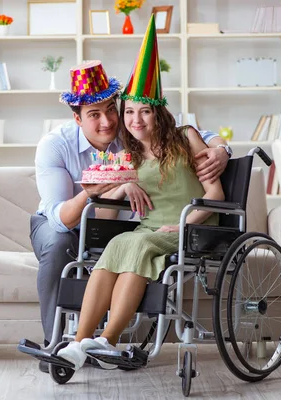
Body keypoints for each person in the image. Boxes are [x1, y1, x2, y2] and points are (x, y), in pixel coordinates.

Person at [31, 60, 231, 372]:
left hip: (194, 224)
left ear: (158, 112)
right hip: (148, 230)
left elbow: (214, 194)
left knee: (136, 245)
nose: (132, 120)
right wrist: (119, 186)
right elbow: (104, 215)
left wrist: (221, 149)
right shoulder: (128, 153)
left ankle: (108, 340)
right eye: (129, 112)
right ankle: (78, 344)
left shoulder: (185, 136)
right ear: (78, 118)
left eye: (144, 111)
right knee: (117, 246)